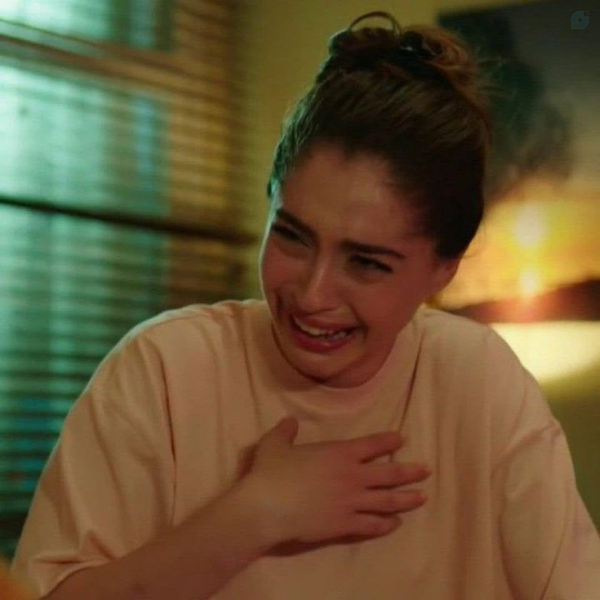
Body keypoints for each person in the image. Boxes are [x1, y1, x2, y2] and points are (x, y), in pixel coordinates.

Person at [10, 11, 600, 600]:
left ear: (443, 267)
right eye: (292, 236)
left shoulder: (480, 383)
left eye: (366, 263)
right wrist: (251, 517)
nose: (313, 295)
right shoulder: (163, 369)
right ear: (270, 202)